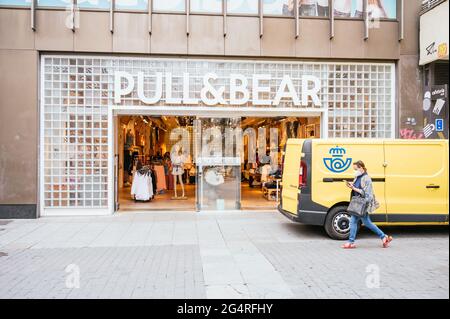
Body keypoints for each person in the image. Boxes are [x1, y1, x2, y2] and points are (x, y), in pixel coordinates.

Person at [342, 160, 393, 249]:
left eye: (356, 169)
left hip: (362, 204)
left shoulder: (366, 178)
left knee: (354, 221)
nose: (354, 171)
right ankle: (383, 237)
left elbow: (367, 193)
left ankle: (351, 242)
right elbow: (357, 187)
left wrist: (354, 188)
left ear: (361, 168)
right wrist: (351, 185)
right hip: (358, 203)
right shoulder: (357, 176)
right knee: (366, 222)